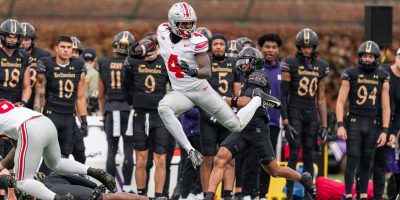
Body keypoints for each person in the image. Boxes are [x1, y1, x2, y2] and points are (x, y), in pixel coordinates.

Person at [128, 1, 280, 168]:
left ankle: (258, 99)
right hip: (181, 92)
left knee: (236, 126)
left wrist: (193, 72)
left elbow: (207, 70)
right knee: (164, 108)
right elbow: (154, 39)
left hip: (200, 90)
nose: (188, 27)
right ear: (172, 23)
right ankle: (190, 150)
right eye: (183, 24)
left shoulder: (196, 41)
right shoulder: (163, 30)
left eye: (190, 23)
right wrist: (142, 46)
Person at [204, 47, 316, 200]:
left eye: (244, 62)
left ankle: (302, 178)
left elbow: (244, 102)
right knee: (221, 157)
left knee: (274, 170)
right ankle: (209, 196)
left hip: (257, 129)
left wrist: (223, 99)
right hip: (243, 127)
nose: (242, 65)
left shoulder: (258, 76)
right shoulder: (248, 78)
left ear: (253, 62)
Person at [0, 99, 116, 200]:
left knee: (22, 182)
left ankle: (59, 198)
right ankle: (94, 171)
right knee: (56, 163)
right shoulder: (9, 109)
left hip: (28, 127)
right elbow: (17, 147)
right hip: (45, 122)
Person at [336, 41, 390, 200]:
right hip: (354, 122)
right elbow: (340, 101)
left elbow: (386, 107)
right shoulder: (351, 73)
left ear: (376, 58)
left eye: (370, 56)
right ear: (360, 57)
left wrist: (385, 130)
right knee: (351, 160)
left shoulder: (382, 75)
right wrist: (340, 125)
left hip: (373, 124)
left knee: (367, 162)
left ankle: (364, 196)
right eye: (365, 55)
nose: (367, 59)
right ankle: (347, 195)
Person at [280, 28, 329, 200]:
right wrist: (285, 121)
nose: (306, 50)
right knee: (293, 155)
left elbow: (321, 99)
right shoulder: (290, 63)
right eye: (303, 47)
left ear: (315, 47)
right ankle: (289, 195)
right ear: (298, 47)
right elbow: (283, 96)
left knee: (309, 154)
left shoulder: (321, 66)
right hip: (294, 111)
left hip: (310, 114)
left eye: (309, 47)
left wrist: (324, 125)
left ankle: (309, 196)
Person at [123, 37, 171, 198]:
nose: (148, 56)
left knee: (160, 159)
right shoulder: (133, 60)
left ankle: (158, 195)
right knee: (141, 159)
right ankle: (141, 195)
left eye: (151, 52)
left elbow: (176, 86)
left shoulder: (165, 60)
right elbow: (125, 86)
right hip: (140, 114)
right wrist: (133, 103)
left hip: (159, 116)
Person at [34, 35, 88, 166]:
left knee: (63, 158)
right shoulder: (46, 63)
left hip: (69, 117)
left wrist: (84, 120)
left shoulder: (78, 65)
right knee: (49, 157)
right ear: (56, 48)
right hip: (52, 114)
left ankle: (58, 184)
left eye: (69, 47)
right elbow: (39, 95)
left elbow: (80, 97)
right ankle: (43, 182)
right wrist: (37, 116)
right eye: (63, 47)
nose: (66, 50)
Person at [199, 33, 239, 199]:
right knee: (207, 157)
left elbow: (237, 89)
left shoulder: (233, 63)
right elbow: (199, 90)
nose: (218, 47)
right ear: (211, 46)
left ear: (226, 46)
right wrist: (207, 112)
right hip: (208, 116)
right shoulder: (204, 63)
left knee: (228, 157)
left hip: (227, 115)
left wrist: (235, 109)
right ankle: (208, 195)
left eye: (221, 44)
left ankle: (227, 194)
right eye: (215, 44)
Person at [98, 31, 135, 193]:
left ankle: (110, 187)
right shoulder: (133, 63)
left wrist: (102, 113)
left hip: (111, 108)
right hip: (128, 109)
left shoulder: (104, 62)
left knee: (112, 150)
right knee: (128, 148)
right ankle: (126, 186)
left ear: (114, 46)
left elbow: (101, 94)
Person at [0, 19, 32, 170]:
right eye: (9, 36)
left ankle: (11, 191)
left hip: (15, 105)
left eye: (15, 36)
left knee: (15, 146)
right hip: (1, 103)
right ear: (3, 36)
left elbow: (27, 85)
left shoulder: (24, 57)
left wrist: (23, 102)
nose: (12, 39)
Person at [257, 33, 283, 199]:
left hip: (273, 124)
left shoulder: (283, 70)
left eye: (274, 47)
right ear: (261, 48)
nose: (270, 50)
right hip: (254, 123)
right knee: (252, 160)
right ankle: (249, 193)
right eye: (267, 46)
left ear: (278, 50)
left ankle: (264, 194)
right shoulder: (255, 68)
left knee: (269, 162)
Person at [19, 22, 52, 110]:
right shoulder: (10, 55)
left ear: (32, 40)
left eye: (26, 39)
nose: (22, 43)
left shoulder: (43, 55)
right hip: (15, 98)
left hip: (35, 97)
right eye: (20, 38)